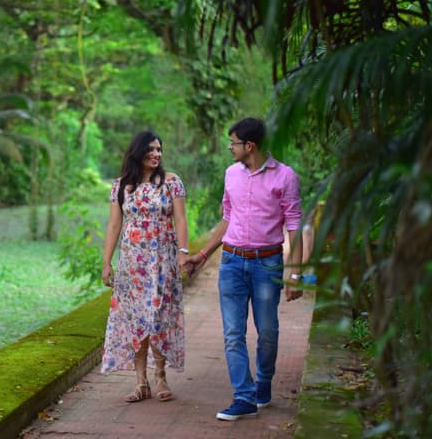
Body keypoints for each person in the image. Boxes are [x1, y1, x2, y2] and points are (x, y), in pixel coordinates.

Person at [187, 118, 303, 420]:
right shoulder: (231, 174)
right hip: (232, 262)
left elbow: (294, 226)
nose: (230, 147)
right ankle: (244, 397)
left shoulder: (285, 177)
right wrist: (203, 255)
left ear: (249, 145)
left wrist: (295, 273)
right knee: (233, 332)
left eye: (233, 142)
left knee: (267, 331)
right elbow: (227, 216)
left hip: (267, 264)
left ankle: (263, 383)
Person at [101, 131, 189, 403]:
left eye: (159, 149)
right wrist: (106, 262)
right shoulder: (121, 186)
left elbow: (181, 220)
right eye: (151, 149)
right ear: (138, 152)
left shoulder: (171, 182)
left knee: (159, 317)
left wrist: (183, 254)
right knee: (135, 320)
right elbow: (115, 225)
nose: (156, 154)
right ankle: (141, 382)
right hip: (132, 265)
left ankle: (161, 376)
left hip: (162, 261)